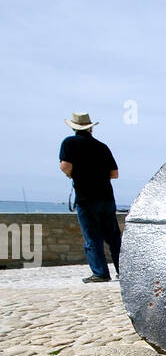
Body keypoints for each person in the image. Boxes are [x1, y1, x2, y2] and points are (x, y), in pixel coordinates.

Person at [59, 112, 122, 283]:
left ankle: (100, 273)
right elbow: (114, 174)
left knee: (92, 237)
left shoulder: (69, 143)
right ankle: (123, 270)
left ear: (74, 127)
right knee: (114, 238)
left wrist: (75, 175)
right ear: (91, 128)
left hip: (86, 198)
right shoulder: (102, 147)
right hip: (107, 197)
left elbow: (65, 166)